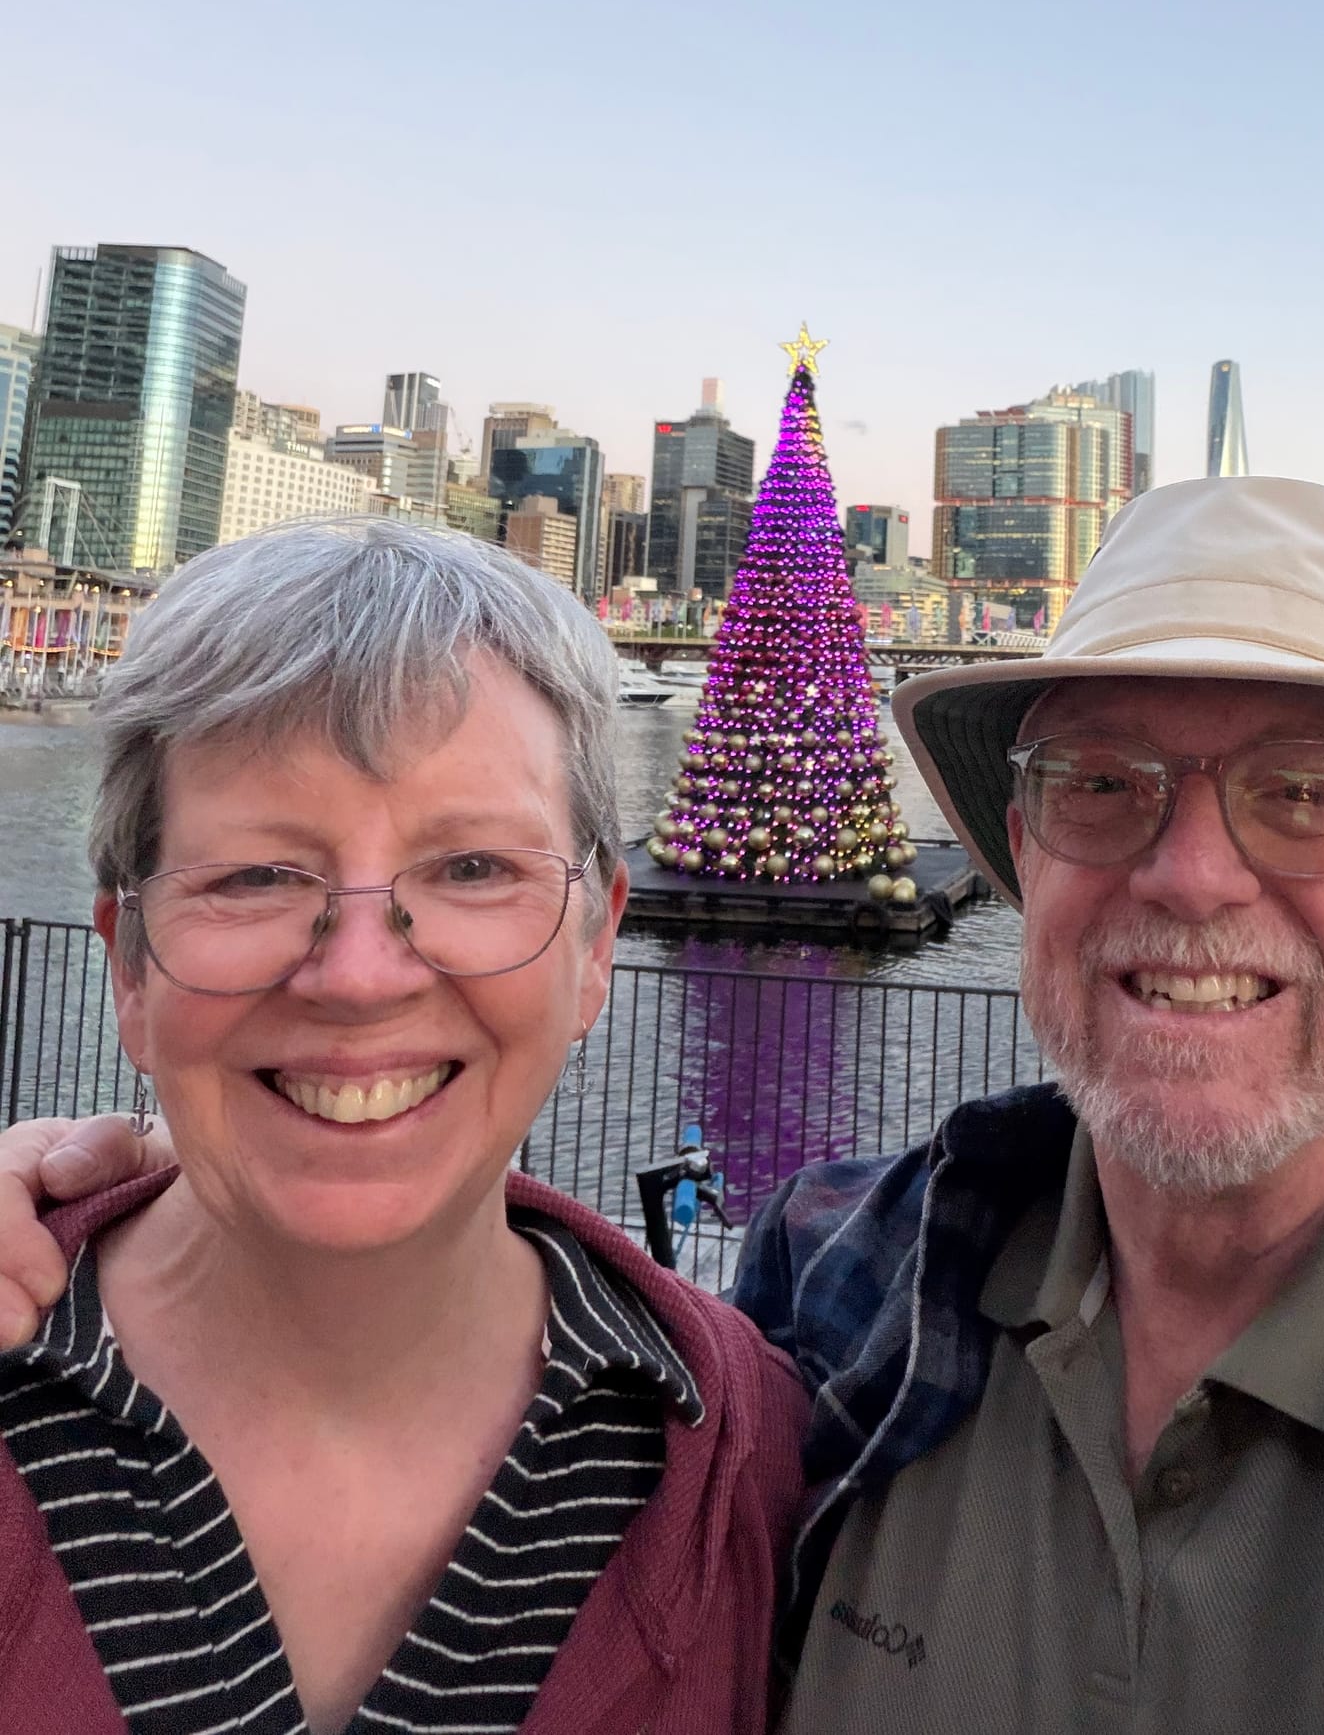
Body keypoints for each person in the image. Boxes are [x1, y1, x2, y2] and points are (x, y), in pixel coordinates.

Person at [0, 480, 1324, 1733]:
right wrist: (170, 1179)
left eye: (1305, 789)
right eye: (1104, 781)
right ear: (1026, 851)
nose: (1190, 872)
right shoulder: (839, 1304)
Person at [0, 520, 802, 1734]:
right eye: (256, 876)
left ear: (594, 947)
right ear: (130, 969)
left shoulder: (759, 1461)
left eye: (472, 867)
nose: (362, 977)